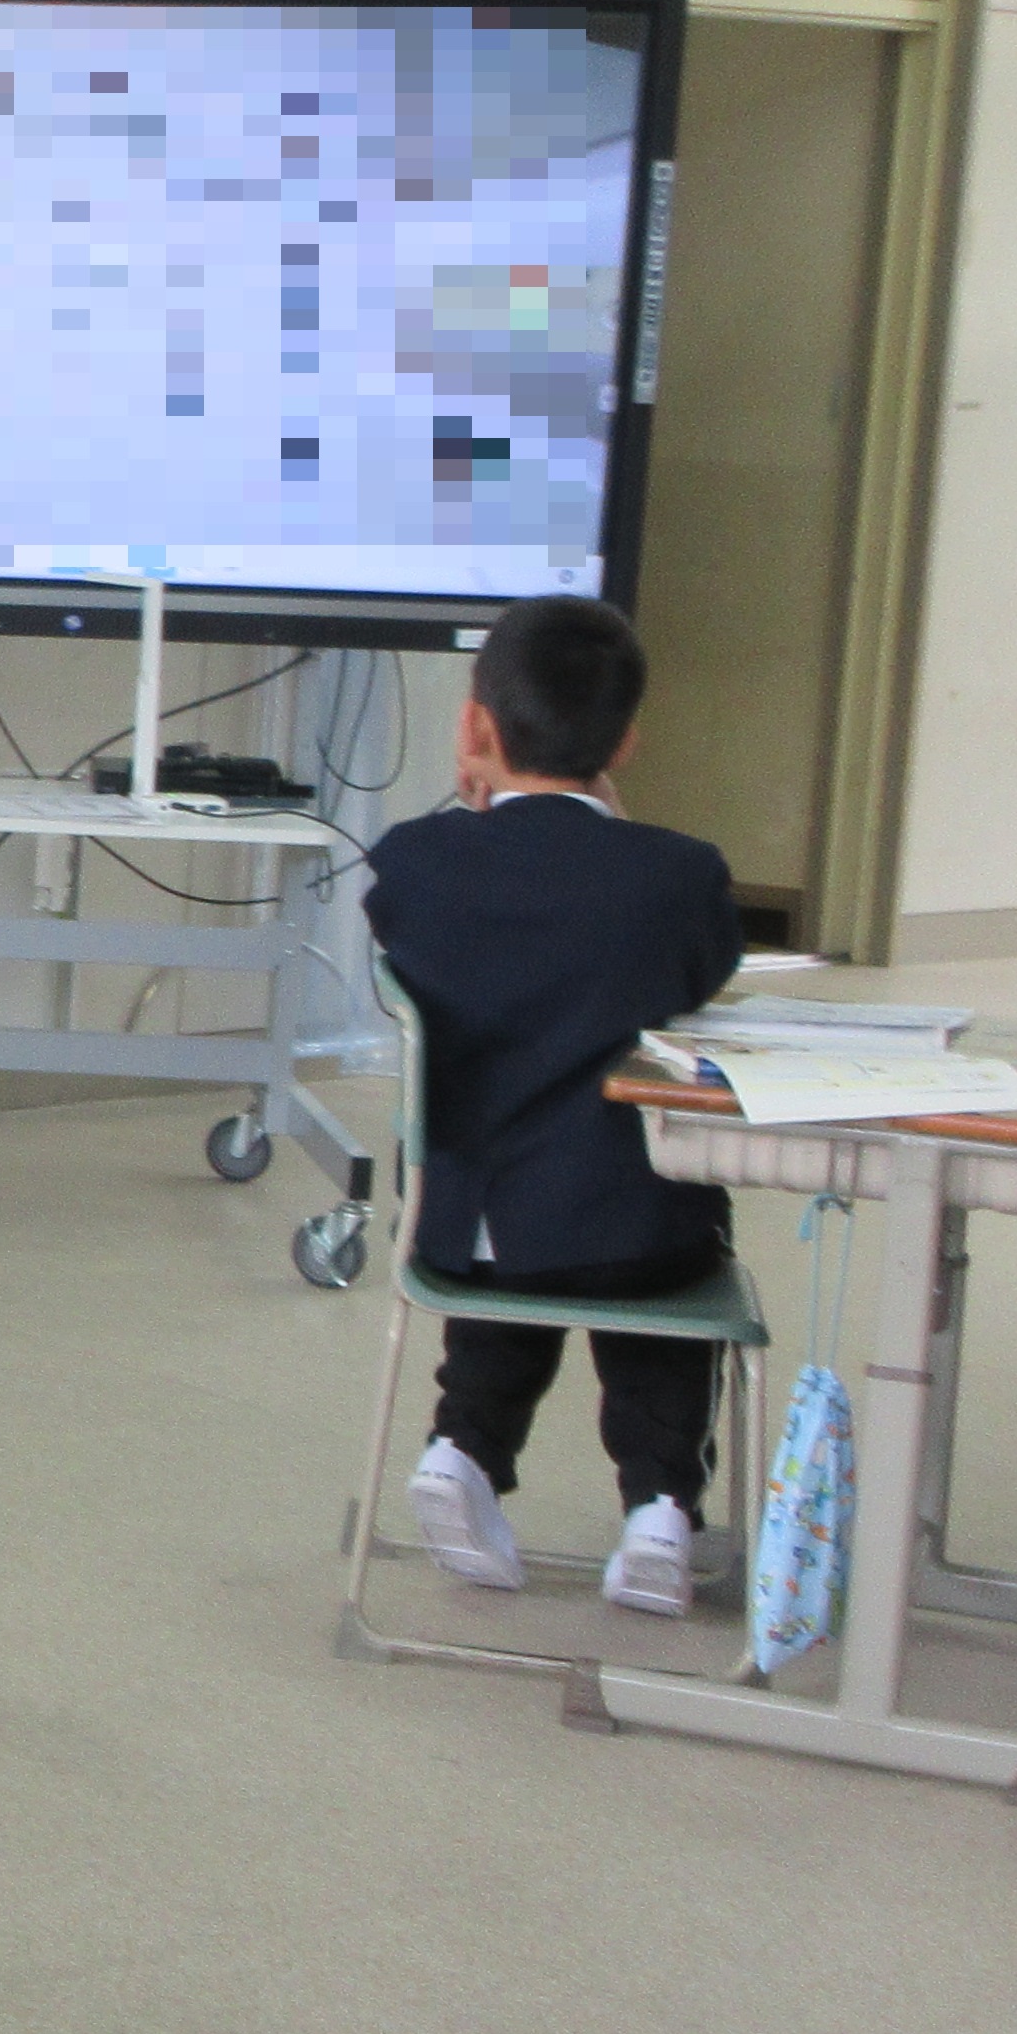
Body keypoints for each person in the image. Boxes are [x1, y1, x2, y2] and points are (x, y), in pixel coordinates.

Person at [364, 595, 749, 1618]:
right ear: (625, 741)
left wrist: (477, 804)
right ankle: (661, 1506)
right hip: (638, 1231)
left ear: (475, 727)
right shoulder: (678, 875)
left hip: (464, 1231)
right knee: (654, 1267)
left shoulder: (415, 861)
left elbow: (415, 922)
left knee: (516, 1252)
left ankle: (464, 1448)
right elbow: (705, 975)